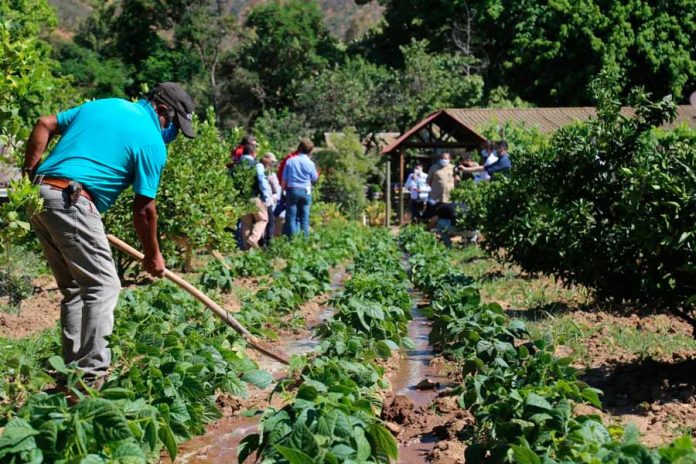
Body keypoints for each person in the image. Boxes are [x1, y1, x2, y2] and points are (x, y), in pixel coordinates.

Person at [22, 82, 195, 387]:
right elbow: (144, 209)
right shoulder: (152, 141)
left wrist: (33, 174)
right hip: (73, 199)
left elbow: (44, 124)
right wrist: (153, 254)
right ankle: (91, 380)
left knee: (76, 288)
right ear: (162, 110)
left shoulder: (105, 105)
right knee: (104, 287)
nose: (173, 134)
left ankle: (72, 374)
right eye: (174, 126)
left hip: (41, 195)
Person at [282, 139, 318, 237]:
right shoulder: (310, 163)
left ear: (299, 148)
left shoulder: (290, 161)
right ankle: (304, 240)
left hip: (292, 190)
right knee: (304, 217)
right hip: (306, 191)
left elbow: (284, 178)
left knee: (291, 217)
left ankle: (294, 240)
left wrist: (282, 191)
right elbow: (315, 177)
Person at [240, 145, 271, 249]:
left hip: (240, 198)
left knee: (246, 224)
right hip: (254, 197)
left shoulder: (236, 165)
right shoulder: (256, 165)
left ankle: (247, 248)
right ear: (253, 153)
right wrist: (266, 197)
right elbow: (262, 180)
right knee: (263, 219)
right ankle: (253, 238)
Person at [261, 152, 280, 245]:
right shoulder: (265, 172)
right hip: (266, 199)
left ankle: (264, 241)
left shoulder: (267, 171)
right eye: (272, 162)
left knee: (267, 221)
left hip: (268, 199)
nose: (273, 164)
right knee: (270, 221)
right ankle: (268, 243)